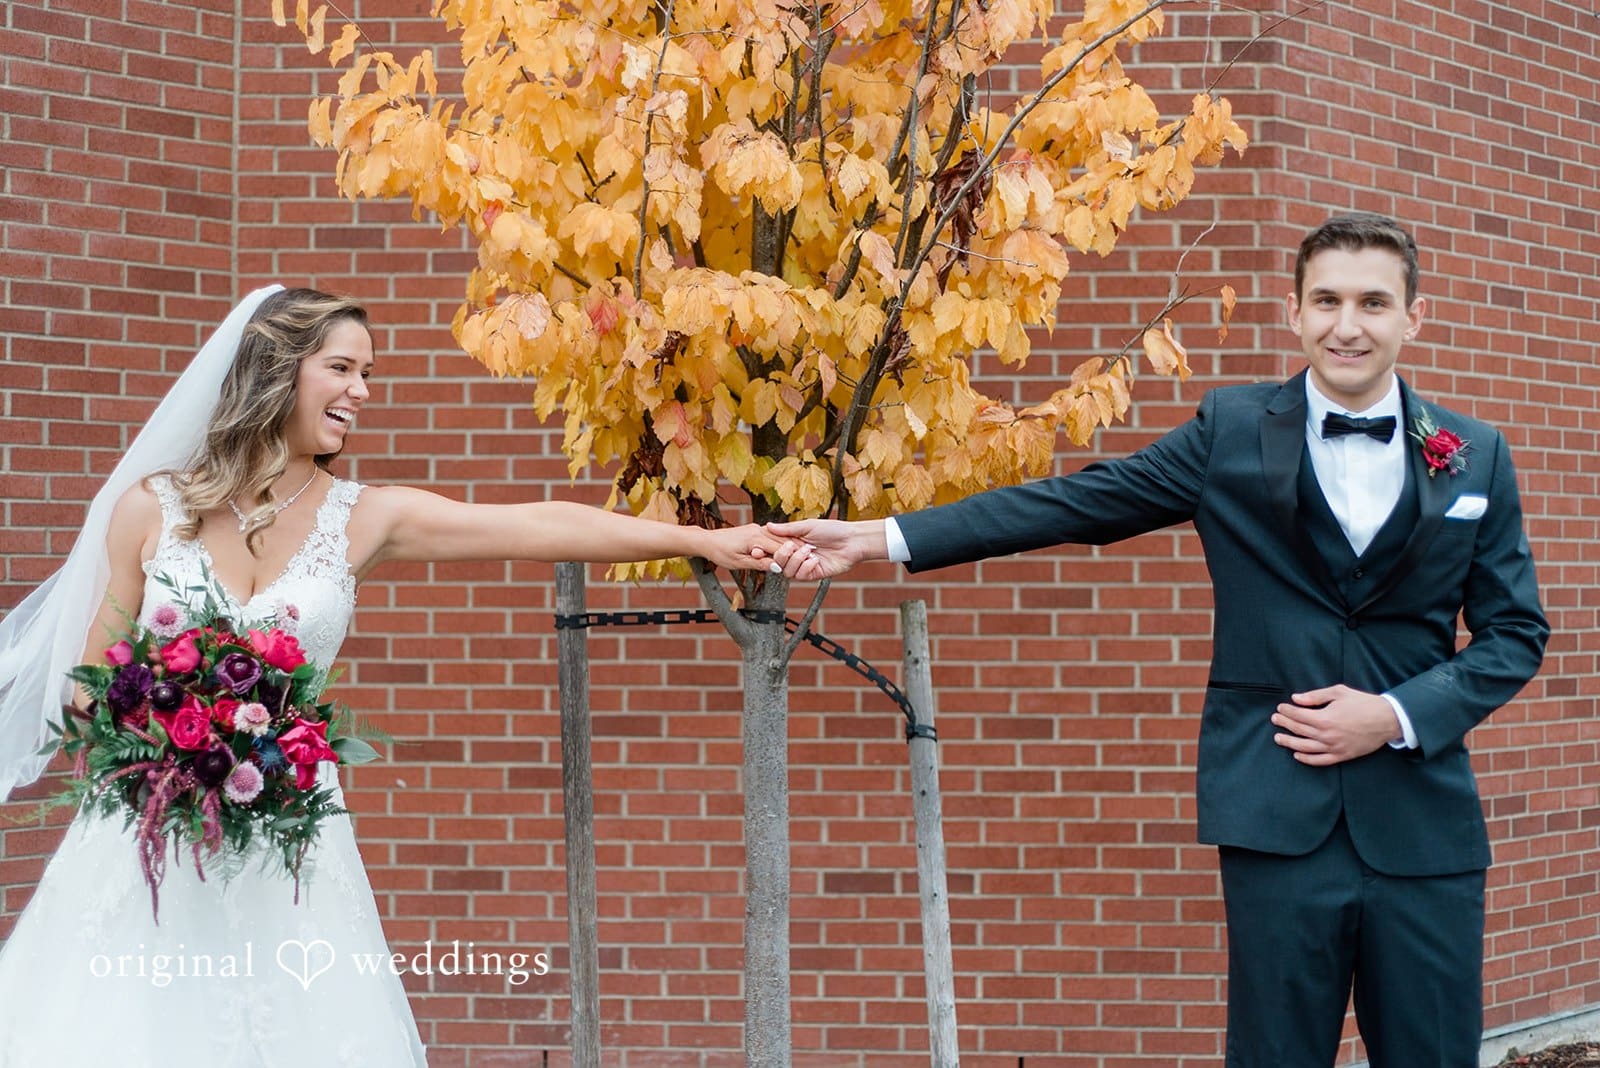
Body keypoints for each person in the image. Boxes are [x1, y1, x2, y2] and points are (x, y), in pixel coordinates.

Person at [765, 214, 1549, 1066]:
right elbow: (1074, 504)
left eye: (1372, 302)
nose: (1346, 324)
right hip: (1275, 815)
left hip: (1424, 826)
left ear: (1414, 317)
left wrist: (1394, 714)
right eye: (1325, 300)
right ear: (1294, 313)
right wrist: (883, 536)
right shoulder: (1233, 432)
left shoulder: (1475, 455)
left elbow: (1514, 634)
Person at [0, 286, 790, 1065]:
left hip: (289, 831)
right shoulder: (150, 508)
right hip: (151, 830)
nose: (362, 392)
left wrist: (703, 541)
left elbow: (535, 523)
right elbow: (87, 684)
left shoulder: (367, 516)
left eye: (367, 374)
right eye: (342, 368)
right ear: (276, 368)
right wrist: (166, 727)